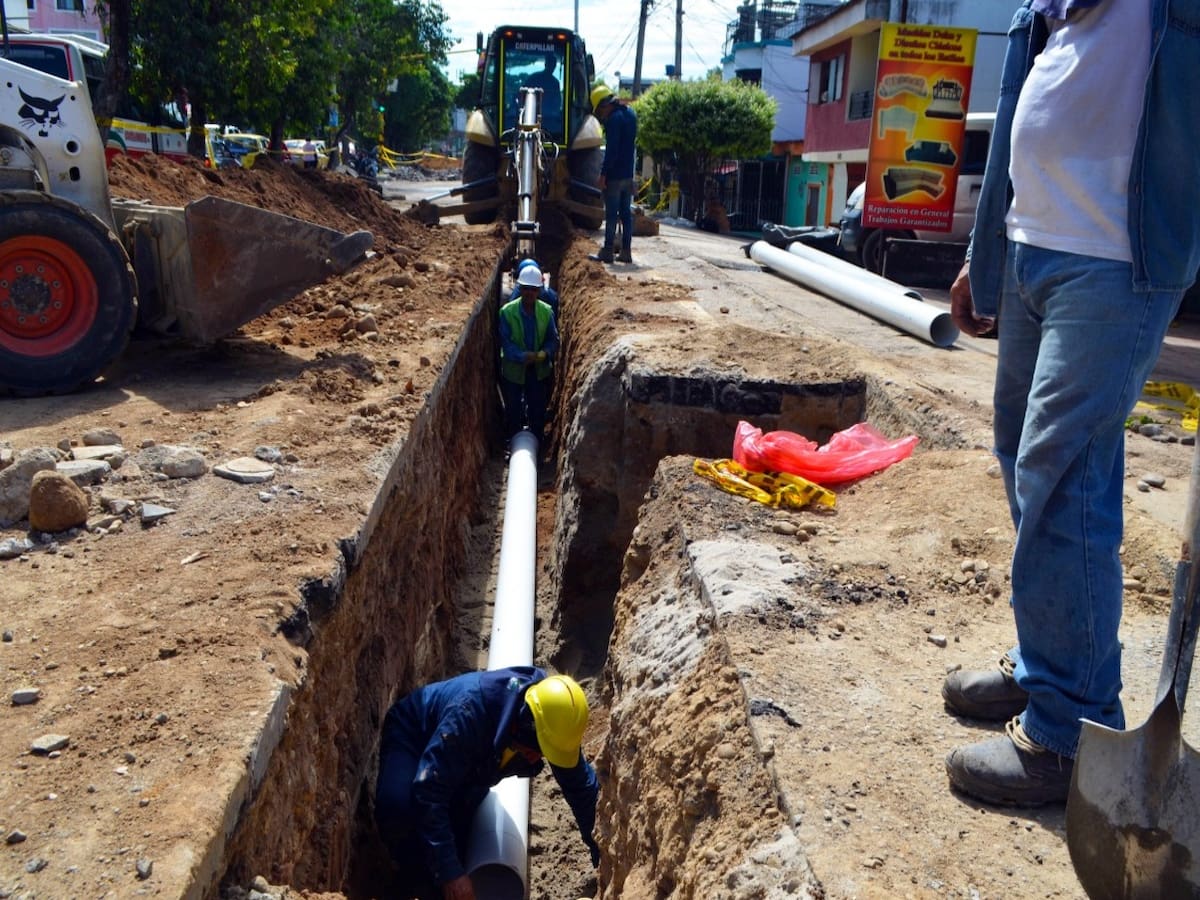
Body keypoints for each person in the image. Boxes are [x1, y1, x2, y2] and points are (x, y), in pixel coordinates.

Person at [942, 0, 1200, 807]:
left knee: (1064, 482)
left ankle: (1070, 730)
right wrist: (984, 257)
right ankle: (1048, 664)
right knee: (1024, 462)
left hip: (1117, 258)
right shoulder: (1042, 10)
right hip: (1030, 246)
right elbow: (1025, 119)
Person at [375, 668, 600, 899]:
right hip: (414, 735)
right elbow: (429, 790)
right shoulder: (469, 714)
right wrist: (450, 875)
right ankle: (413, 879)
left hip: (468, 764)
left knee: (458, 839)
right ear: (522, 725)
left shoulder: (555, 718)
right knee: (398, 807)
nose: (536, 759)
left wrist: (602, 854)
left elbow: (581, 789)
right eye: (535, 750)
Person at [498, 264, 559, 449]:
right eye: (525, 289)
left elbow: (553, 339)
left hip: (538, 371)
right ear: (520, 288)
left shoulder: (546, 311)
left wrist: (544, 353)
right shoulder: (507, 312)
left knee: (537, 409)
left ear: (539, 290)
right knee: (514, 410)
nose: (529, 293)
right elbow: (505, 343)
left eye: (533, 289)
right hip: (514, 370)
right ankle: (513, 442)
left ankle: (537, 443)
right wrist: (523, 356)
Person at [588, 84, 638, 265]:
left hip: (615, 175)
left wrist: (603, 175)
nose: (601, 116)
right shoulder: (631, 114)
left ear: (604, 105)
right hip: (628, 174)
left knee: (611, 214)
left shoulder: (613, 120)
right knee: (625, 214)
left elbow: (612, 151)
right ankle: (626, 252)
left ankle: (608, 251)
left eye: (600, 111)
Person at [506, 257, 560, 322]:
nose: (529, 292)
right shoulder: (550, 296)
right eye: (526, 288)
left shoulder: (513, 300)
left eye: (533, 289)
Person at [523, 52, 562, 133]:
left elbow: (557, 103)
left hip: (549, 120)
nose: (552, 67)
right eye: (550, 64)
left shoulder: (554, 83)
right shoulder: (534, 78)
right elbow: (522, 96)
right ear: (546, 64)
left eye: (553, 65)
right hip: (530, 119)